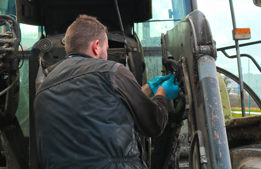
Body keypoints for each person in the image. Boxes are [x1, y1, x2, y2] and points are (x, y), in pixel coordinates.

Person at [34, 15, 179, 169]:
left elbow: (106, 114)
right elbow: (153, 124)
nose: (105, 55)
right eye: (106, 49)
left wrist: (147, 89)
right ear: (96, 46)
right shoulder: (112, 71)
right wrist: (162, 93)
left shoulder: (43, 89)